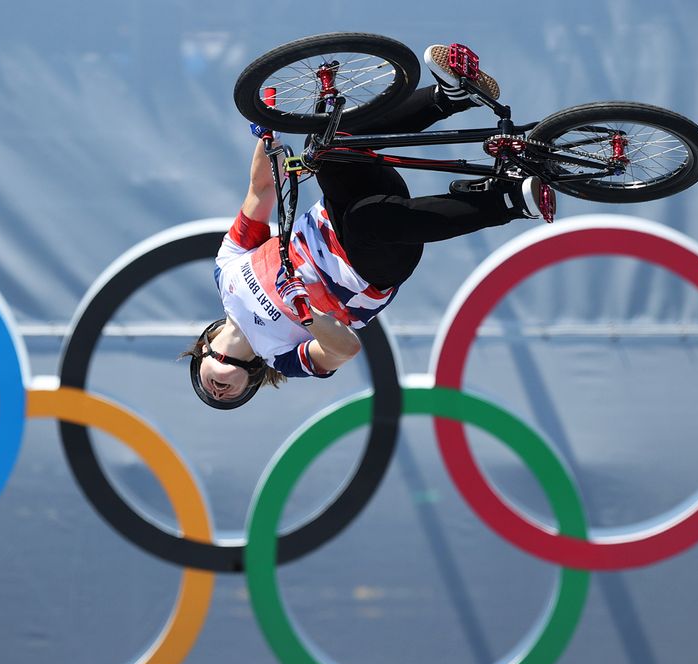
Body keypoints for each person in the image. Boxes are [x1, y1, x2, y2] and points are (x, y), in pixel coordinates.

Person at [185, 44, 556, 409]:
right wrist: (307, 315)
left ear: (201, 352)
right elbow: (344, 349)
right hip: (370, 268)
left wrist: (269, 129)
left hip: (340, 212)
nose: (218, 394)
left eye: (209, 391)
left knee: (326, 144)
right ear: (250, 381)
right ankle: (509, 202)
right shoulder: (281, 358)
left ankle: (451, 96)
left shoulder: (226, 272)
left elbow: (262, 189)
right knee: (367, 221)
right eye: (228, 399)